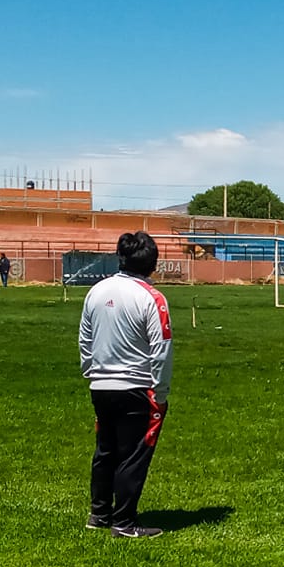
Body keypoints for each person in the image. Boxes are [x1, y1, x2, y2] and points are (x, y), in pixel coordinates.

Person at [79, 230, 173, 537]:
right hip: (136, 386)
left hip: (101, 385)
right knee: (133, 454)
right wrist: (160, 391)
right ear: (152, 264)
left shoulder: (96, 291)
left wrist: (91, 373)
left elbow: (85, 339)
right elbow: (161, 349)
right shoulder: (152, 298)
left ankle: (99, 514)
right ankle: (124, 522)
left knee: (106, 450)